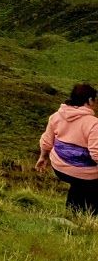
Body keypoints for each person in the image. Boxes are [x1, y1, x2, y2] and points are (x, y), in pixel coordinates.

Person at [38, 83, 98, 215]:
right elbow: (96, 154)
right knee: (90, 185)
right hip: (85, 173)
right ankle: (89, 217)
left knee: (78, 186)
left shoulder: (56, 116)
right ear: (89, 100)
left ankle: (71, 212)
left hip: (59, 167)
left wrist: (43, 157)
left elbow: (46, 141)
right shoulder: (93, 124)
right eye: (95, 99)